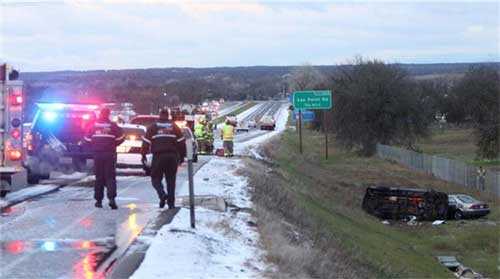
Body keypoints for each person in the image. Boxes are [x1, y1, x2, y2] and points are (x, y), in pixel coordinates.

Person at [141, 108, 186, 209]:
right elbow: (181, 143)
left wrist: (143, 155)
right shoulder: (174, 127)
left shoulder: (153, 127)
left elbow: (146, 143)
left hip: (159, 156)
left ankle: (162, 194)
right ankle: (171, 203)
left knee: (155, 178)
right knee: (171, 180)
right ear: (168, 115)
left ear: (159, 115)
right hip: (172, 156)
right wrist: (182, 157)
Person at [84, 108, 124, 209]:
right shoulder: (113, 126)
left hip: (97, 154)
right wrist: (113, 144)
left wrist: (94, 145)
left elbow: (86, 138)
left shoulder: (93, 125)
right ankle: (111, 199)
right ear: (108, 114)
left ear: (100, 114)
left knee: (99, 177)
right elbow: (122, 137)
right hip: (110, 154)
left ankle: (98, 201)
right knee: (110, 177)